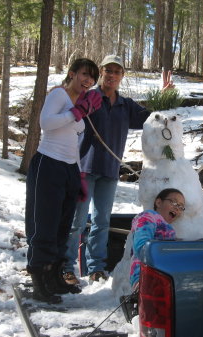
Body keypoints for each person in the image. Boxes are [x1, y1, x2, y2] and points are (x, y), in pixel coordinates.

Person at [63, 55, 153, 284]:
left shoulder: (126, 105)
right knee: (78, 221)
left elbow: (151, 119)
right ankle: (67, 267)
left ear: (122, 76)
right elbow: (71, 112)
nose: (112, 75)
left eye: (117, 72)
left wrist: (163, 94)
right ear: (101, 72)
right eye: (108, 71)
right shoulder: (90, 97)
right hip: (85, 168)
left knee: (102, 221)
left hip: (110, 171)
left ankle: (96, 268)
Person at [25, 58, 102, 303]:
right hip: (49, 164)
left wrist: (78, 175)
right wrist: (76, 112)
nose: (88, 80)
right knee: (45, 224)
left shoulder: (82, 104)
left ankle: (55, 276)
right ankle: (39, 279)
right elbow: (46, 123)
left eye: (92, 78)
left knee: (62, 227)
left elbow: (72, 140)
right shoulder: (59, 95)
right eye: (84, 74)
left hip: (69, 168)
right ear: (72, 73)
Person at [129, 188, 185, 289]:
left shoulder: (169, 228)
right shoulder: (149, 215)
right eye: (174, 203)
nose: (178, 208)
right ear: (159, 202)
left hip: (162, 274)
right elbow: (141, 245)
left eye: (181, 207)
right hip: (144, 273)